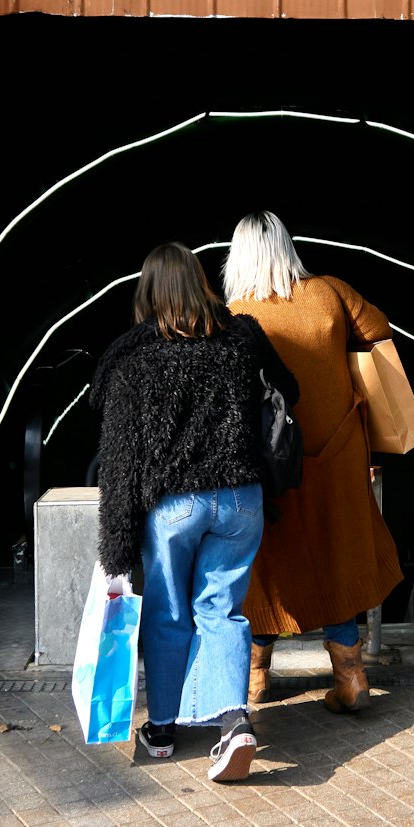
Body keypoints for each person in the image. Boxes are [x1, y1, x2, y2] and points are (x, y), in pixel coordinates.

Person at [88, 241, 299, 782]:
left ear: (148, 292)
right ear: (202, 283)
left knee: (168, 613)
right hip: (239, 499)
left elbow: (118, 461)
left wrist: (115, 547)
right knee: (222, 609)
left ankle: (161, 730)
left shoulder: (132, 357)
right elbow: (289, 390)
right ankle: (234, 726)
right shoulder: (242, 337)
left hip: (173, 506)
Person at [222, 211, 404, 713]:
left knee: (267, 564)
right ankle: (351, 677)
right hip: (340, 452)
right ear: (286, 246)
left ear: (239, 256)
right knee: (336, 557)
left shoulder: (235, 312)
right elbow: (379, 331)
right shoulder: (330, 292)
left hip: (273, 461)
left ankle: (255, 679)